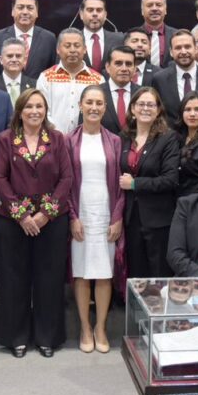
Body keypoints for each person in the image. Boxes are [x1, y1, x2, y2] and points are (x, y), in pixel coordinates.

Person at [0, 88, 74, 358]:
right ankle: (15, 337)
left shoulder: (58, 139)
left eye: (39, 106)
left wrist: (45, 213)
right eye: (29, 107)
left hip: (51, 221)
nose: (35, 111)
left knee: (49, 279)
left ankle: (47, 337)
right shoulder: (6, 139)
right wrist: (21, 215)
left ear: (46, 110)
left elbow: (66, 178)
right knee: (14, 279)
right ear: (20, 111)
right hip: (13, 221)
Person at [67, 85, 124, 354]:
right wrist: (72, 216)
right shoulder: (68, 140)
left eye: (99, 103)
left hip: (105, 212)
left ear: (105, 107)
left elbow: (121, 183)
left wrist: (117, 217)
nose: (93, 107)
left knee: (103, 272)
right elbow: (64, 183)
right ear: (80, 105)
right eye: (89, 102)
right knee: (81, 272)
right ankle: (84, 327)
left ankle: (100, 327)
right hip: (80, 213)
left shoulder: (114, 140)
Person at [119, 87, 180, 279]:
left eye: (151, 105)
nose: (146, 108)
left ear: (158, 110)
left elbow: (170, 179)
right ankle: (138, 310)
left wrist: (136, 184)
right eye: (141, 104)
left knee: (159, 273)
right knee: (136, 273)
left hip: (158, 218)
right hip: (130, 217)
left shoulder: (167, 138)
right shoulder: (124, 138)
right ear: (133, 109)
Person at [35, 28, 104, 132]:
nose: (72, 50)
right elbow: (41, 110)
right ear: (58, 49)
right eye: (67, 46)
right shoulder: (46, 77)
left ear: (85, 49)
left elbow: (101, 112)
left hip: (87, 138)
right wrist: (56, 135)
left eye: (77, 46)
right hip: (53, 139)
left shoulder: (97, 79)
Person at [152, 29, 198, 125]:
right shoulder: (159, 79)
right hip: (171, 137)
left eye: (187, 47)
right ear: (171, 52)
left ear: (196, 49)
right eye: (178, 48)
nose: (183, 52)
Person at [0, 0, 57, 78]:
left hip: (37, 90)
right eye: (20, 7)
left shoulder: (49, 39)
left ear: (37, 12)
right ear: (12, 11)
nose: (25, 12)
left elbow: (53, 72)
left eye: (30, 8)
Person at [79, 0, 123, 73]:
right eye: (90, 10)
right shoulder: (72, 40)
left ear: (105, 15)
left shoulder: (119, 39)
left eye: (99, 10)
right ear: (81, 14)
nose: (95, 14)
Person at [102, 45, 138, 135]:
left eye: (129, 64)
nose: (124, 69)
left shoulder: (143, 94)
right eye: (118, 63)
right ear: (107, 67)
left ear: (134, 69)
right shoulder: (95, 93)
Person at [140, 0, 177, 67]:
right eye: (149, 5)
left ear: (165, 10)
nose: (154, 8)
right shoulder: (131, 36)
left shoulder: (177, 35)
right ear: (142, 11)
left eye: (159, 5)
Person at [0, 37, 37, 103]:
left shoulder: (35, 86)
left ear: (25, 60)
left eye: (18, 56)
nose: (14, 60)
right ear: (1, 60)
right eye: (9, 56)